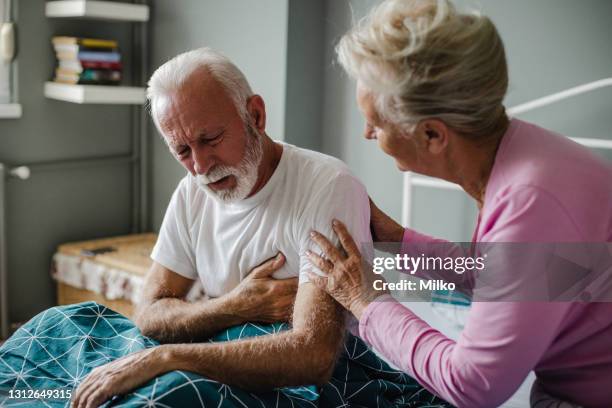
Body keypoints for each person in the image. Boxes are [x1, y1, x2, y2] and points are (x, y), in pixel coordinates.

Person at [305, 0, 612, 407]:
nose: (365, 134)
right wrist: (399, 241)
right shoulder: (524, 151)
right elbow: (507, 277)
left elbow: (473, 385)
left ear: (432, 135)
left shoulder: (531, 204)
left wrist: (369, 302)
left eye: (376, 124)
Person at [71, 47, 373, 407]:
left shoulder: (325, 186)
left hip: (307, 383)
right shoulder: (192, 193)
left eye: (211, 140)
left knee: (161, 396)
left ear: (256, 115)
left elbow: (313, 354)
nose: (200, 166)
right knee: (64, 325)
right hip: (222, 350)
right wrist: (235, 306)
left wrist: (167, 357)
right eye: (182, 151)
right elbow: (150, 312)